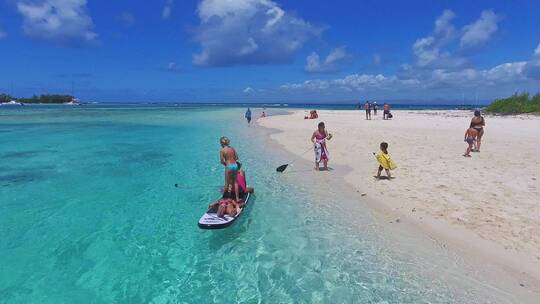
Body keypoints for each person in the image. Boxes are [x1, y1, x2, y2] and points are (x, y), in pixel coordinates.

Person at [220, 136, 240, 202]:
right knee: (235, 182)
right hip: (235, 165)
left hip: (228, 166)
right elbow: (237, 157)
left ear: (222, 143)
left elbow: (222, 161)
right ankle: (237, 198)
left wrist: (226, 164)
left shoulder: (222, 150)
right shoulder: (232, 148)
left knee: (227, 183)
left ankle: (223, 198)